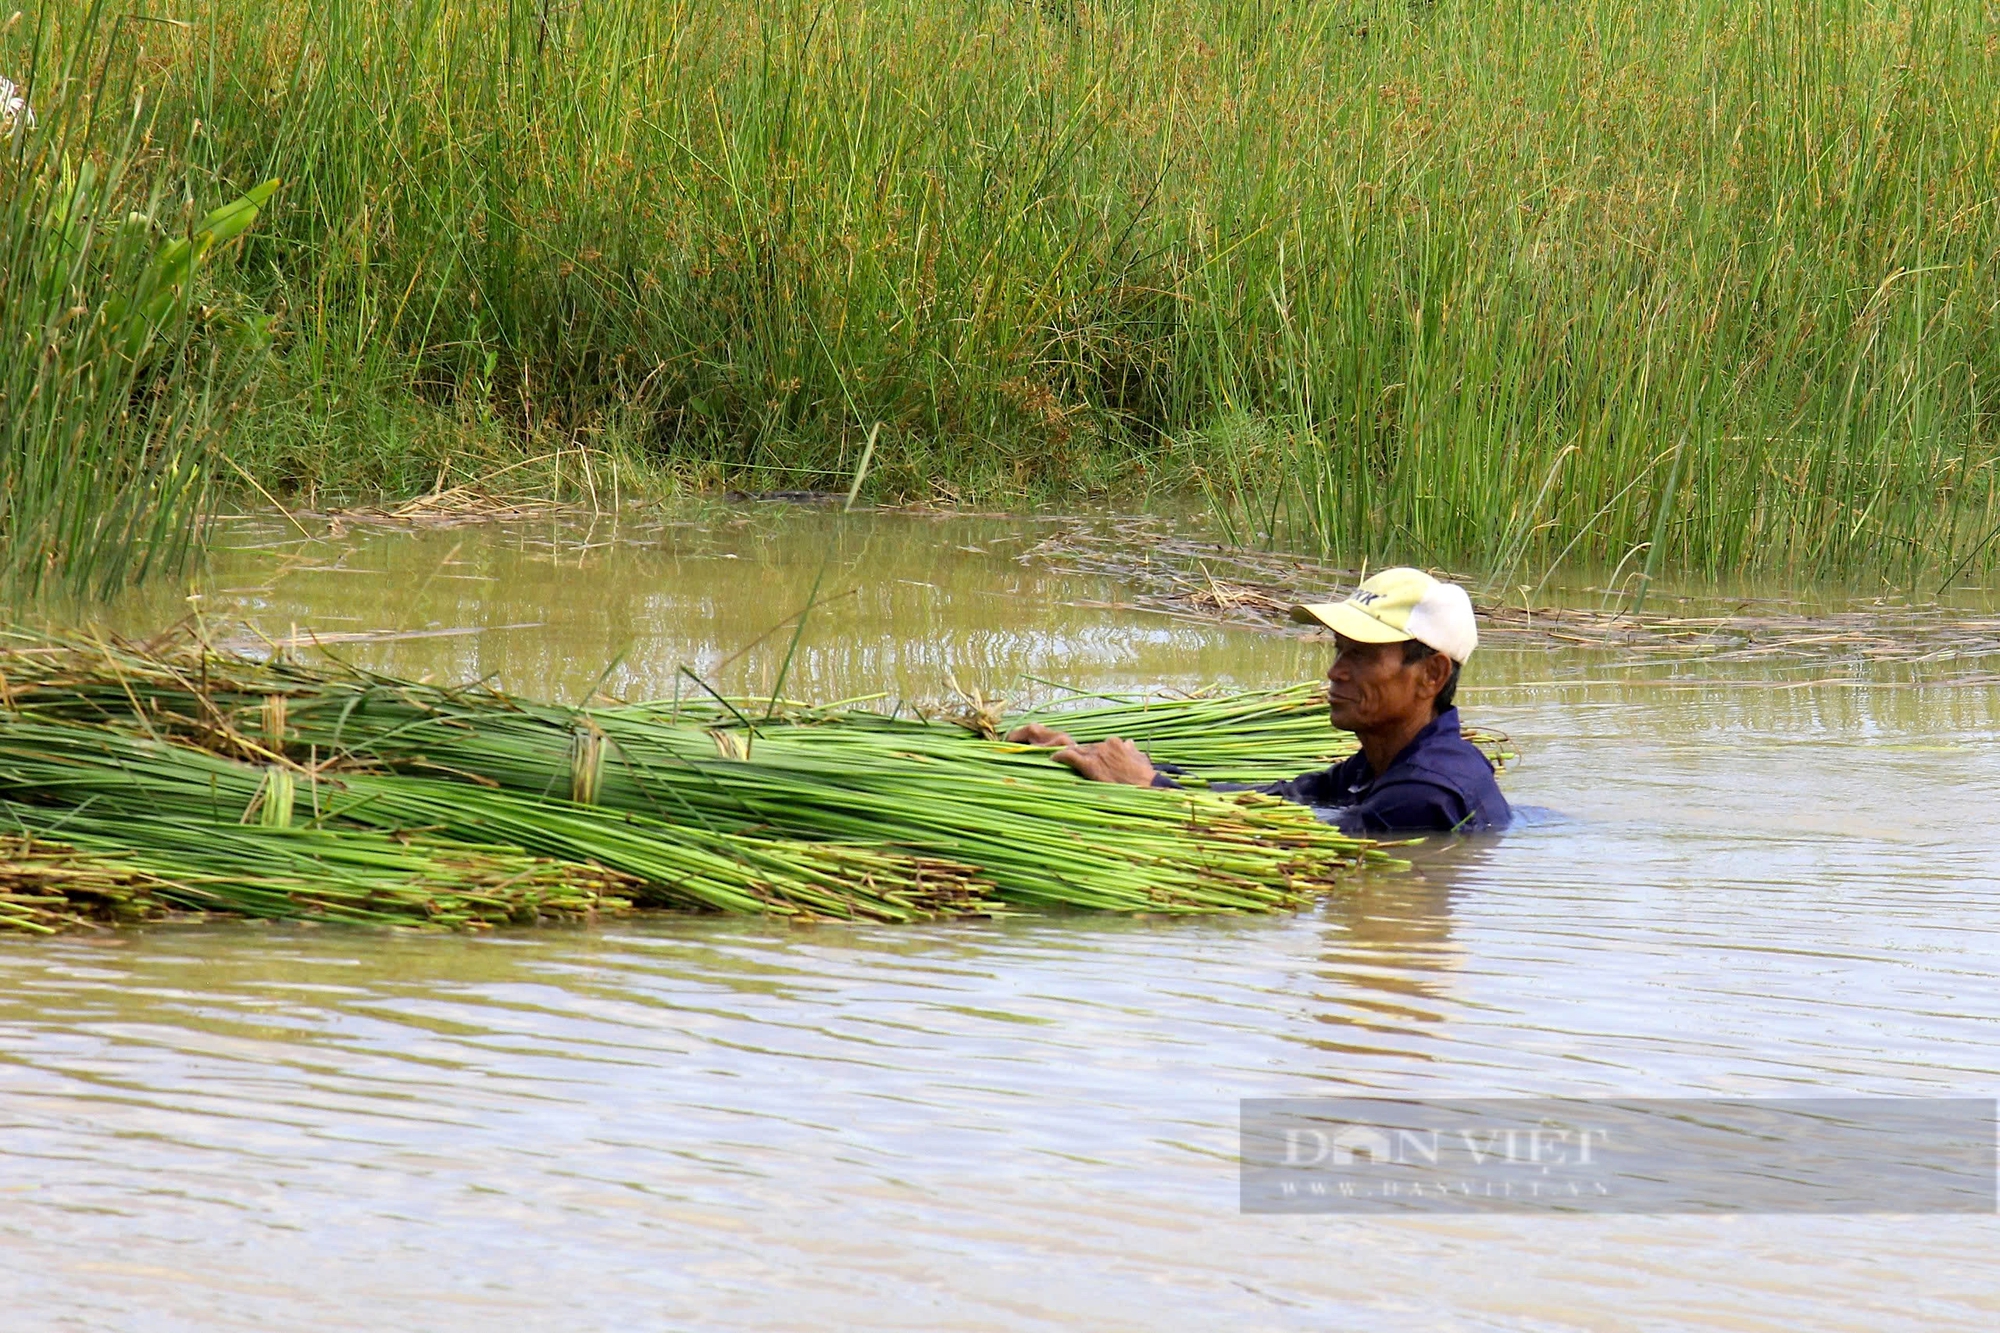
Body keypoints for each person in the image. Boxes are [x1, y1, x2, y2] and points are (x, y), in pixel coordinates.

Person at [1007, 567, 1511, 836]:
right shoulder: (1379, 767)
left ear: (1431, 674)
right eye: (1340, 651)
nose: (1336, 671)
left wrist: (1150, 789)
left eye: (1361, 656)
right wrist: (1103, 756)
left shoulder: (1425, 794)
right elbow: (1276, 801)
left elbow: (1298, 840)